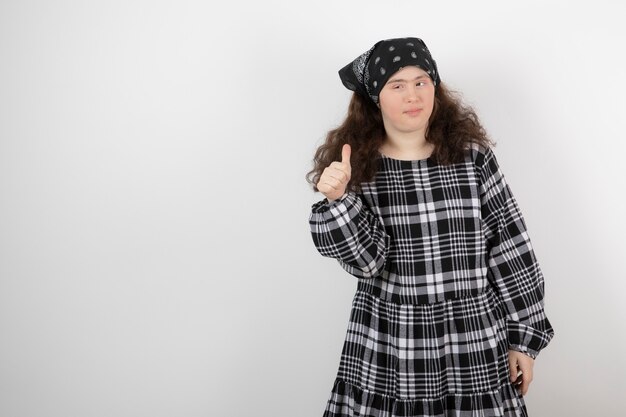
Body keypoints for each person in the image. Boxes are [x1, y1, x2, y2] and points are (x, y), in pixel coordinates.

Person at [306, 37, 555, 417]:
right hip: (391, 343)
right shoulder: (359, 170)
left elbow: (509, 244)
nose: (413, 95)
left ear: (435, 88)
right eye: (397, 85)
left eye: (422, 81)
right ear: (375, 97)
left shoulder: (471, 157)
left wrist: (524, 339)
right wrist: (340, 201)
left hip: (472, 338)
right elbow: (368, 263)